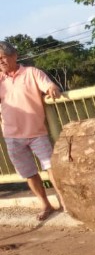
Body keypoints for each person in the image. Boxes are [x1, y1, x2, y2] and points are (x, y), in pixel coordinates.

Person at [0, 41, 63, 221]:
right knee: (28, 173)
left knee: (51, 168)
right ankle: (45, 205)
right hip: (11, 135)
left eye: (3, 57)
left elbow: (49, 86)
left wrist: (52, 88)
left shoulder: (32, 73)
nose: (1, 62)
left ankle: (65, 203)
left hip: (37, 133)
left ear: (14, 55)